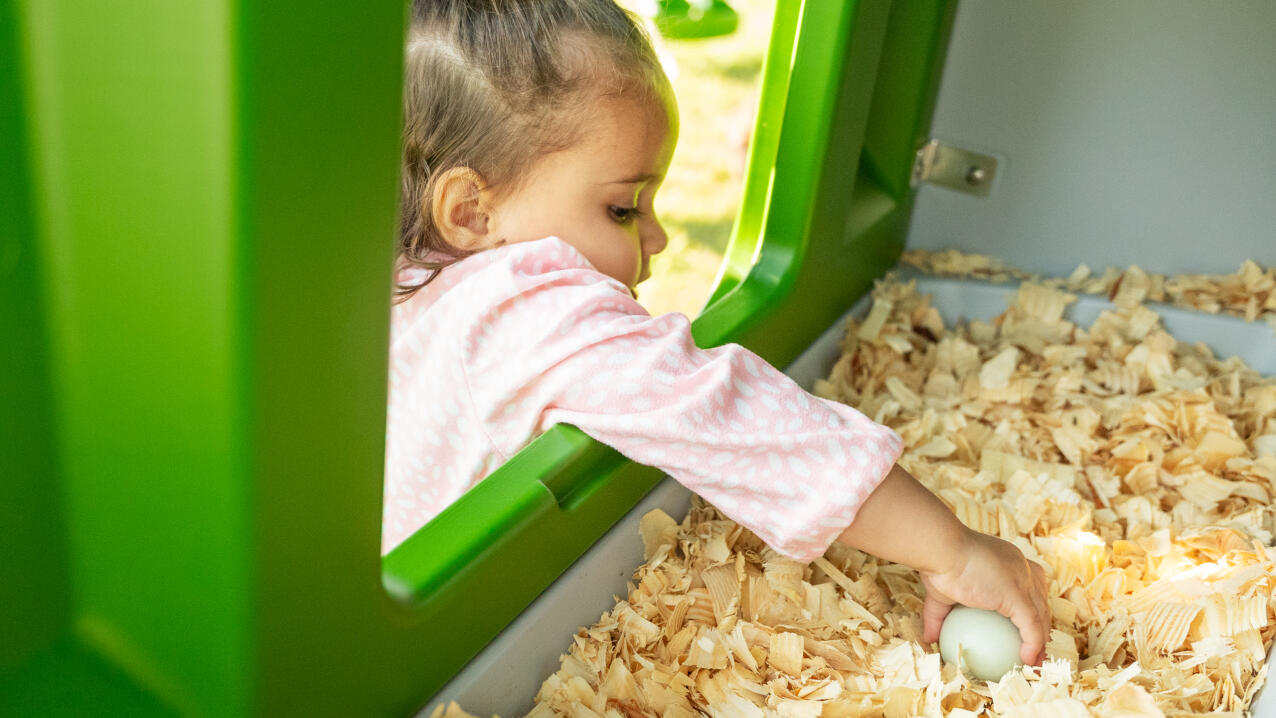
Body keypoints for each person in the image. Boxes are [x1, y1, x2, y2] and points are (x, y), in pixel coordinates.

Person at [386, 0, 1050, 667]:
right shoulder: (524, 307)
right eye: (622, 208)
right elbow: (727, 412)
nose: (660, 238)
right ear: (470, 209)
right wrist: (952, 548)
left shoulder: (395, 283)